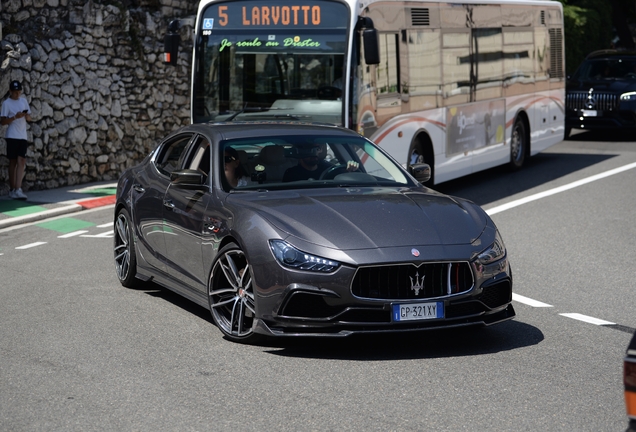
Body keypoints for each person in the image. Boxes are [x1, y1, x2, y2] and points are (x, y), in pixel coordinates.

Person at [1, 81, 32, 200]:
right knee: (13, 162)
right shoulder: (6, 103)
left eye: (19, 92)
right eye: (15, 92)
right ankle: (12, 189)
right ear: (10, 91)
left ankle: (18, 189)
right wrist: (15, 117)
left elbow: (29, 117)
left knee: (22, 160)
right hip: (12, 136)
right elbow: (2, 121)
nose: (17, 94)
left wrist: (27, 117)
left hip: (22, 135)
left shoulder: (23, 101)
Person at [282, 143, 359, 182]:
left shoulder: (330, 169)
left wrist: (349, 171)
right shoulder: (291, 174)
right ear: (301, 153)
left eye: (317, 149)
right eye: (310, 150)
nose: (315, 153)